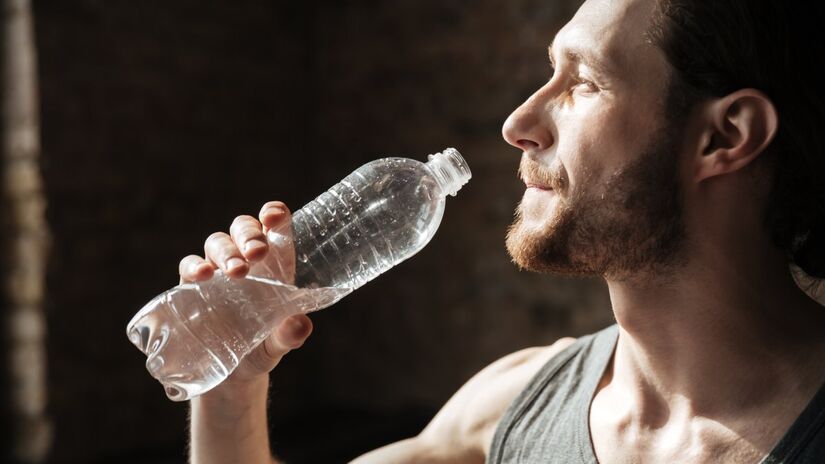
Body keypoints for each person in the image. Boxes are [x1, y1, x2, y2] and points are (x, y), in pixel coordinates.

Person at [185, 0, 825, 462]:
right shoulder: (515, 404)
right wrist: (232, 386)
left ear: (725, 136)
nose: (519, 122)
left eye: (584, 83)